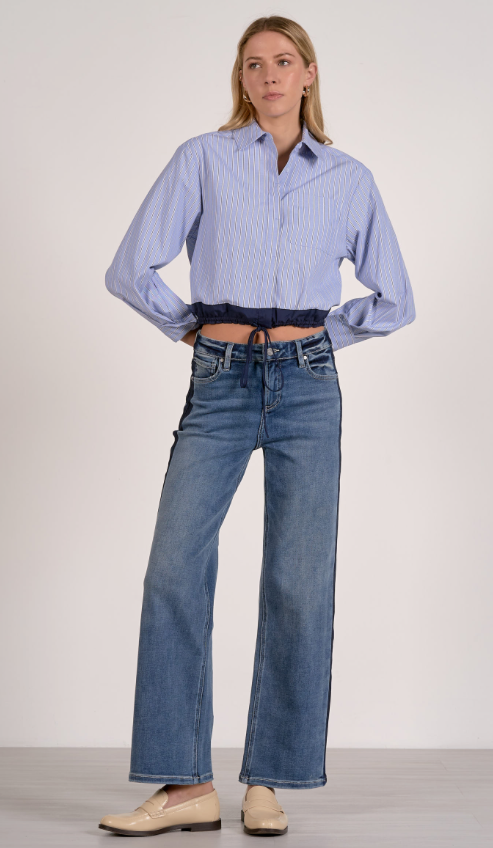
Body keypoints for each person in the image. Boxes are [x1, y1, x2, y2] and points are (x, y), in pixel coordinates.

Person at [98, 14, 416, 839]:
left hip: (308, 389)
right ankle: (185, 787)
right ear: (240, 79)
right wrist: (191, 329)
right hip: (221, 378)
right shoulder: (202, 159)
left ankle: (268, 781)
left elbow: (395, 299)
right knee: (173, 571)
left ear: (308, 74)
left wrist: (319, 338)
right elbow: (129, 268)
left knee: (296, 586)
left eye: (282, 61)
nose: (268, 75)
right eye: (252, 64)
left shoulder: (346, 178)